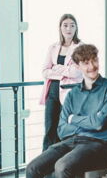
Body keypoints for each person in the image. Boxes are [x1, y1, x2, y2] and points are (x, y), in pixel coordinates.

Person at [27, 44, 107, 178]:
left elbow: (99, 123)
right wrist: (86, 124)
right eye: (86, 63)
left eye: (94, 60)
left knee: (62, 166)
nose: (92, 66)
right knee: (33, 167)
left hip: (101, 144)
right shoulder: (72, 94)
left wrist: (74, 120)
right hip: (72, 142)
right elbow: (62, 130)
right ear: (77, 67)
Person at [39, 13, 83, 151]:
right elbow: (45, 71)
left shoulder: (81, 47)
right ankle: (45, 164)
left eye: (72, 25)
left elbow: (77, 72)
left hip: (70, 92)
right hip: (52, 90)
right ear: (60, 28)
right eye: (65, 25)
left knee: (65, 127)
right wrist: (64, 71)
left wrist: (57, 69)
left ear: (76, 28)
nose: (68, 28)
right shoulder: (53, 47)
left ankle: (62, 162)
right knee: (50, 127)